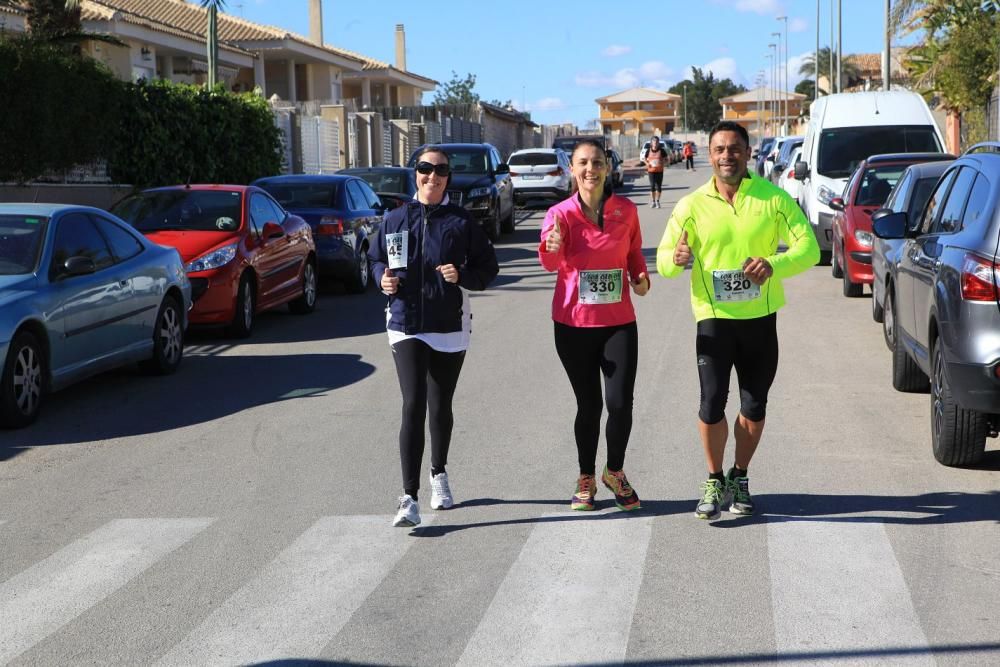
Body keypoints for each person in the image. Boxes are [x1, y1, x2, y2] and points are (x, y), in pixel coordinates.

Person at [655, 121, 819, 520]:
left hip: (759, 319)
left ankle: (739, 475)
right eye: (719, 149)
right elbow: (663, 263)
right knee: (711, 403)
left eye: (734, 149)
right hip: (713, 319)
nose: (726, 156)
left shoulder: (773, 199)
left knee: (754, 404)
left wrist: (773, 264)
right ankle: (714, 477)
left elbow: (810, 249)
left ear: (748, 153)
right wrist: (676, 261)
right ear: (709, 155)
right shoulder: (690, 206)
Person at [369, 145, 499, 528]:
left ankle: (438, 475)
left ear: (448, 178)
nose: (433, 175)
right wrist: (382, 279)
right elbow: (376, 258)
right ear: (416, 173)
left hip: (448, 326)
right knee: (414, 403)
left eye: (441, 170)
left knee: (440, 406)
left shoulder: (460, 222)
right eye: (426, 168)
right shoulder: (394, 219)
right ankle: (408, 498)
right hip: (405, 322)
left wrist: (462, 277)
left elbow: (487, 267)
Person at [539, 138, 650, 512]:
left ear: (607, 167)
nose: (591, 169)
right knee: (589, 405)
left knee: (620, 404)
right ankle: (586, 475)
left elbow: (634, 253)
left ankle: (613, 471)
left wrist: (640, 278)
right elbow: (550, 265)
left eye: (598, 162)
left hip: (619, 321)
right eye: (583, 163)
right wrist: (552, 247)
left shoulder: (626, 211)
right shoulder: (559, 215)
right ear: (572, 169)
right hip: (573, 324)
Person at [643, 136, 669, 208]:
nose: (655, 143)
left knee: (659, 187)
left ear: (658, 143)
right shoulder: (648, 150)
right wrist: (647, 163)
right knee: (652, 186)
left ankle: (658, 201)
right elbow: (644, 158)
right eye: (654, 142)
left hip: (659, 171)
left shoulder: (662, 150)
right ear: (651, 143)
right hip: (651, 171)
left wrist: (662, 162)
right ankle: (653, 201)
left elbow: (666, 159)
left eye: (656, 142)